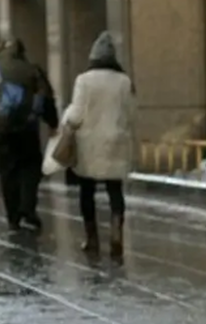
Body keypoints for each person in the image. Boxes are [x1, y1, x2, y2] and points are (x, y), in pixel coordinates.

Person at [61, 31, 135, 258]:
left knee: (87, 191)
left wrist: (66, 123)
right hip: (115, 141)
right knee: (115, 191)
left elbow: (76, 113)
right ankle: (116, 234)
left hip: (88, 144)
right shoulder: (124, 82)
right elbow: (132, 113)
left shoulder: (84, 80)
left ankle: (91, 238)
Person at [0, 37, 56, 231]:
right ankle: (27, 207)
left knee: (7, 172)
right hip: (28, 128)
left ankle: (13, 217)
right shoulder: (32, 70)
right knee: (30, 167)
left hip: (2, 130)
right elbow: (46, 97)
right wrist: (53, 122)